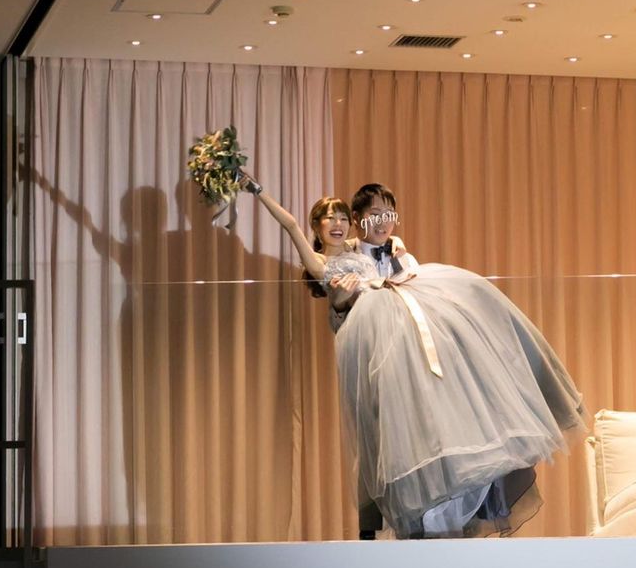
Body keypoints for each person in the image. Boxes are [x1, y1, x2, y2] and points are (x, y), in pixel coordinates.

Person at [244, 177, 587, 539]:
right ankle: (402, 516)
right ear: (323, 225)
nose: (339, 224)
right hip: (379, 344)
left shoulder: (384, 251)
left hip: (408, 336)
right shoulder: (333, 260)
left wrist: (395, 254)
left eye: (343, 217)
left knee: (470, 315)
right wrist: (256, 189)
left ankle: (482, 462)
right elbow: (299, 237)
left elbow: (399, 270)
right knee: (392, 432)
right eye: (332, 218)